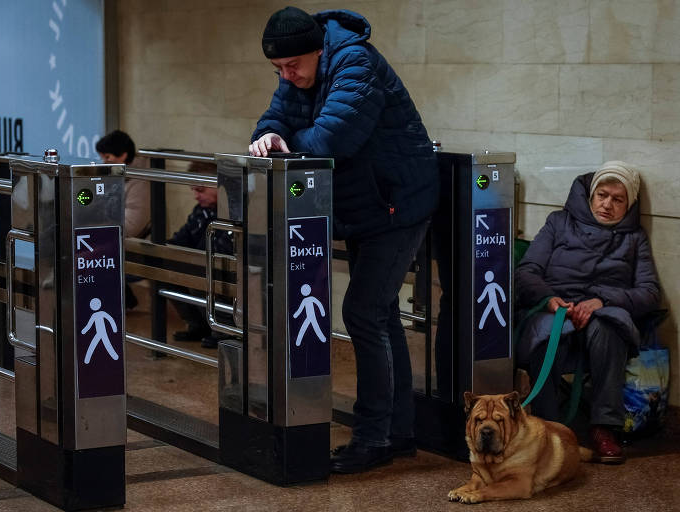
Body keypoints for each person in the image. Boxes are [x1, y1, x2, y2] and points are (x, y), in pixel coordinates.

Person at [250, 7, 439, 473]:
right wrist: (269, 134)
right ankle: (398, 432)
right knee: (380, 313)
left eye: (293, 66)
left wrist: (287, 140)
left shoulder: (357, 63)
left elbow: (333, 139)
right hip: (362, 207)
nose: (287, 76)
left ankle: (374, 436)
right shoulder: (299, 70)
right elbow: (273, 121)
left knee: (363, 311)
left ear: (318, 49)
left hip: (397, 204)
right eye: (277, 69)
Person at [515, 161, 660, 464]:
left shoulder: (635, 239)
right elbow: (527, 271)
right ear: (590, 195)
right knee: (545, 339)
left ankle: (604, 427)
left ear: (629, 204)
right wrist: (550, 299)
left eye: (617, 199)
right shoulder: (558, 222)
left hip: (602, 315)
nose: (607, 204)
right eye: (602, 195)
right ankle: (547, 428)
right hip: (556, 310)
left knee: (608, 328)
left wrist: (601, 301)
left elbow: (648, 293)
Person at [165, 161, 234, 349]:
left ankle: (223, 330)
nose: (196, 196)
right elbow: (182, 237)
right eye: (193, 190)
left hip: (225, 270)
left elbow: (225, 251)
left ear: (219, 185)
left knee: (200, 278)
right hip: (203, 263)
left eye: (201, 190)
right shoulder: (201, 211)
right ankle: (199, 325)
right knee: (165, 272)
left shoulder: (235, 212)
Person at [96, 130, 151, 310]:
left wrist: (99, 230)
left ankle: (119, 301)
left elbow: (133, 224)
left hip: (133, 240)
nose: (104, 161)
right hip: (115, 234)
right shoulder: (113, 173)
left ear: (124, 155)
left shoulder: (139, 181)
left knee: (89, 253)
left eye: (108, 156)